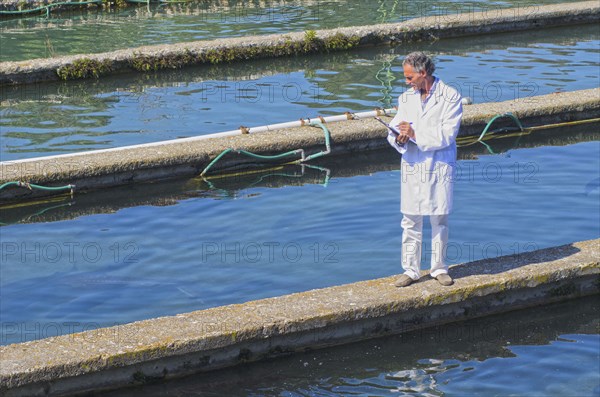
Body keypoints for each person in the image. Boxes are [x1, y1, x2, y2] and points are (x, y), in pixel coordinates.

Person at [386, 52, 463, 287]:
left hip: (438, 164)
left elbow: (448, 134)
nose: (407, 82)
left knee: (439, 218)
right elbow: (395, 127)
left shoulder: (450, 96)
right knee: (410, 219)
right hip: (412, 164)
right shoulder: (406, 99)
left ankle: (439, 267)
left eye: (410, 78)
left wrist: (416, 135)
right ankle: (410, 270)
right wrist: (399, 138)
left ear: (423, 73)